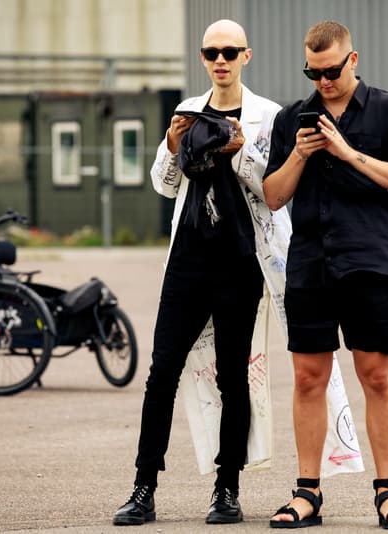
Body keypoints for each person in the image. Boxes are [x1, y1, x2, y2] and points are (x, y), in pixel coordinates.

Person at [113, 19, 284, 526]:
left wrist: (240, 155)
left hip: (239, 264)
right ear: (203, 57)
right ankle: (143, 488)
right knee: (161, 373)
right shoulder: (188, 112)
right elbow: (165, 186)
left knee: (234, 378)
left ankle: (226, 489)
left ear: (246, 56)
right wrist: (170, 144)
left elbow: (274, 189)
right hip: (187, 262)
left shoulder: (267, 116)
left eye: (230, 51)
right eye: (212, 52)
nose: (221, 60)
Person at [262, 21, 388, 530]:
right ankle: (307, 493)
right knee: (308, 378)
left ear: (353, 60)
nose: (324, 80)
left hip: (370, 261)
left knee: (376, 376)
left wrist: (346, 152)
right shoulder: (293, 117)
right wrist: (300, 153)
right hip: (311, 263)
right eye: (313, 72)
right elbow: (272, 196)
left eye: (331, 70)